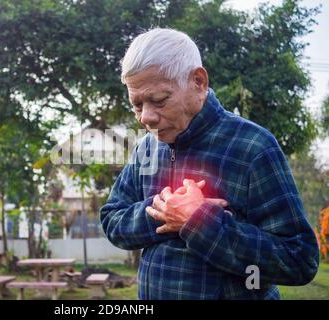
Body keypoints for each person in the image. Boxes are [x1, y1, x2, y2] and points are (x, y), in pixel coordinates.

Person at [100, 28, 319, 299]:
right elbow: (112, 220)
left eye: (159, 100)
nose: (146, 117)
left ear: (198, 81)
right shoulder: (146, 147)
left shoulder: (253, 146)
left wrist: (202, 224)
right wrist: (162, 210)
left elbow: (299, 261)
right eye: (136, 104)